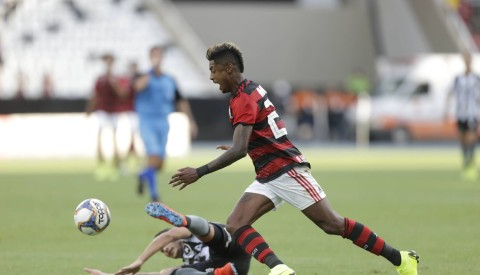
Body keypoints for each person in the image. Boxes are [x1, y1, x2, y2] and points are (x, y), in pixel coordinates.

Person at [168, 42, 419, 275]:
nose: (211, 76)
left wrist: (198, 172)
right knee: (236, 223)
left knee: (332, 224)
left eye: (214, 70)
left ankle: (401, 259)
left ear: (229, 68)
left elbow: (240, 150)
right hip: (268, 173)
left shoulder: (242, 98)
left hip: (286, 169)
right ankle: (279, 269)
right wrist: (244, 144)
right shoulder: (249, 89)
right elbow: (252, 135)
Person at [84, 202, 251, 275]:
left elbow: (169, 235)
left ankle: (186, 220)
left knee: (205, 232)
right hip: (233, 269)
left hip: (234, 244)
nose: (166, 250)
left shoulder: (184, 236)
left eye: (164, 246)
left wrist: (140, 261)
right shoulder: (190, 264)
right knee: (168, 273)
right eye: (163, 252)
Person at [134, 46, 198, 201]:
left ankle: (142, 174)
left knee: (159, 164)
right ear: (150, 58)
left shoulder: (169, 80)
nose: (157, 58)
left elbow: (180, 101)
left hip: (163, 122)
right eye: (154, 56)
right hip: (147, 121)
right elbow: (137, 87)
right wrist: (151, 71)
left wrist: (190, 121)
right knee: (154, 155)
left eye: (159, 56)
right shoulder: (143, 76)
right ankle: (155, 195)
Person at [86, 53, 125, 181]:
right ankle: (101, 164)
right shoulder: (100, 79)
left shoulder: (116, 78)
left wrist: (113, 82)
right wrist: (89, 109)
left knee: (115, 137)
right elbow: (95, 95)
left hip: (113, 110)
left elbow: (121, 94)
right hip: (102, 109)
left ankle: (116, 164)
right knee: (100, 135)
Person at [445, 52, 480, 181]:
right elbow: (450, 93)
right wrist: (446, 109)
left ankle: (470, 163)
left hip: (472, 113)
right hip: (460, 114)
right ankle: (466, 162)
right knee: (462, 139)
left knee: (471, 138)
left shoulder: (476, 78)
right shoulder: (458, 78)